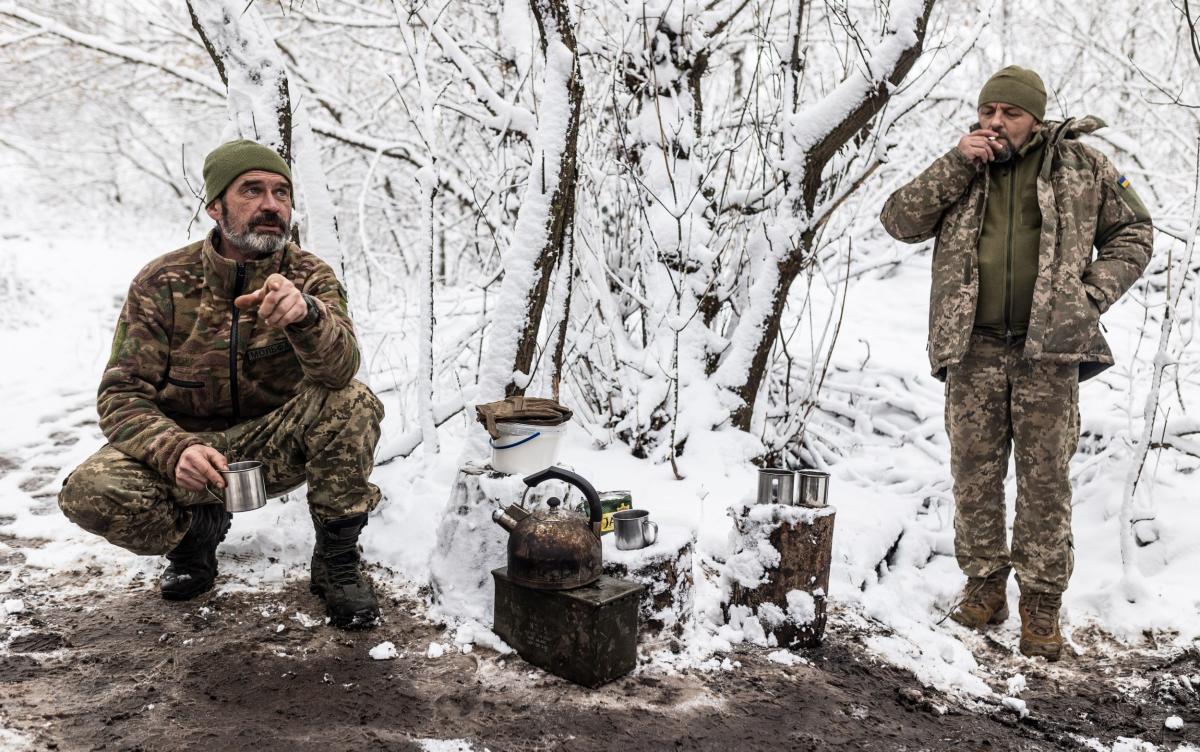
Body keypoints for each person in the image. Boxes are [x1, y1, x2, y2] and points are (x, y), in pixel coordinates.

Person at [880, 66, 1153, 659]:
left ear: (1036, 118)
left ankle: (1042, 606)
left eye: (1009, 113)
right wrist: (955, 161)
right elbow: (899, 221)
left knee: (1044, 482)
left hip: (1047, 350)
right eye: (987, 112)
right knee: (973, 475)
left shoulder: (1084, 167)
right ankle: (983, 589)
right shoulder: (963, 167)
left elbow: (1135, 231)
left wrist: (1092, 293)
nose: (995, 123)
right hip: (971, 347)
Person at [58, 139, 386, 630]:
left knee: (353, 400)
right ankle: (194, 537)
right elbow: (121, 395)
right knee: (91, 490)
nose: (271, 204)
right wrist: (173, 449)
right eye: (251, 190)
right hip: (191, 455)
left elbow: (340, 372)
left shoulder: (308, 274)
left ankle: (336, 561)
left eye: (281, 192)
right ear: (215, 207)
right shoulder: (162, 281)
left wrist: (307, 317)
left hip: (275, 445)